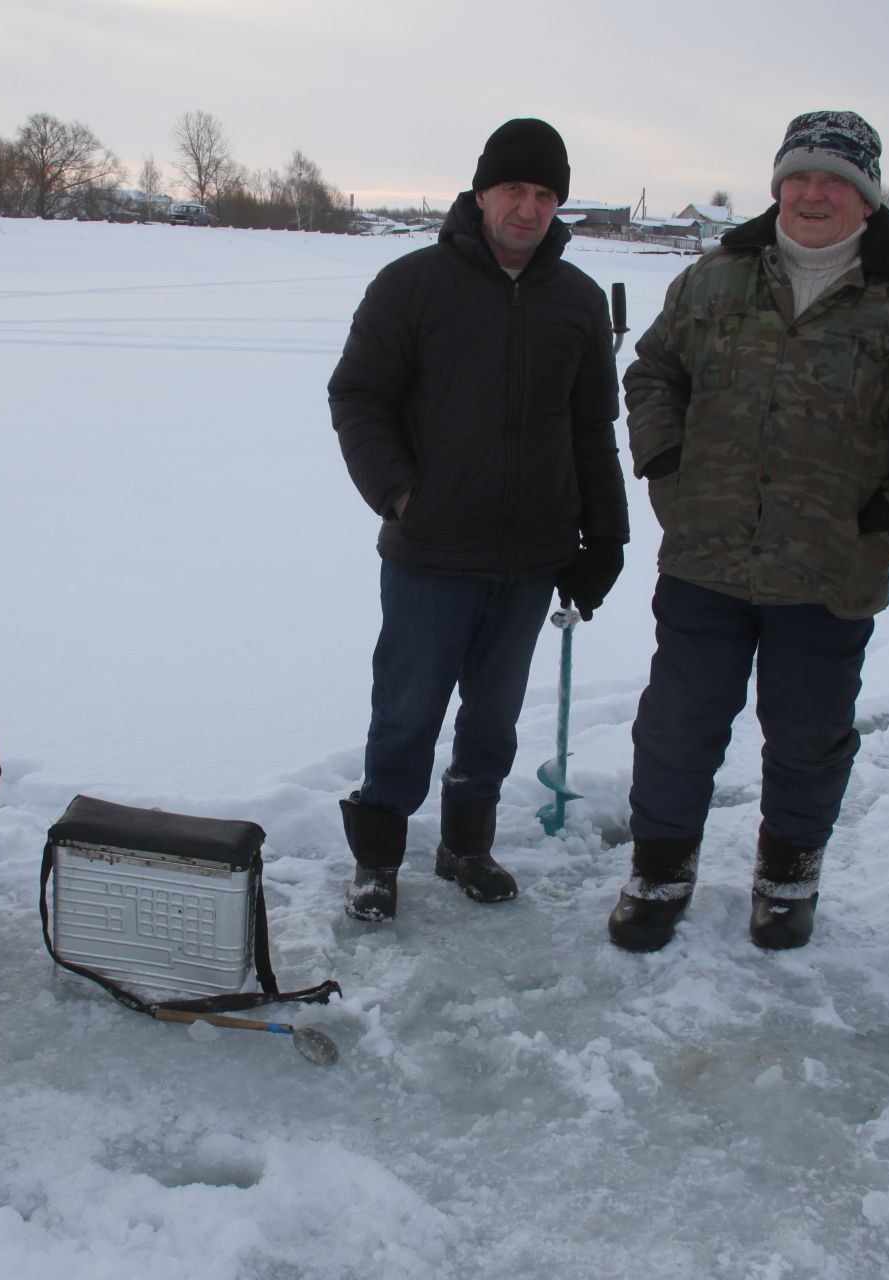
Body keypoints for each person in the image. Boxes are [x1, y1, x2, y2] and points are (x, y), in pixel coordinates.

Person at [610, 110, 889, 953]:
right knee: (677, 725)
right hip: (707, 553)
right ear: (778, 187)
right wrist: (664, 455)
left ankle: (787, 881)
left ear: (868, 200)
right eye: (800, 177)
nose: (814, 193)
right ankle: (658, 873)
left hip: (832, 567)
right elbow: (654, 368)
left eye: (835, 180)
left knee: (809, 735)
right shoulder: (716, 278)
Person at [328, 118, 629, 922]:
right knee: (407, 712)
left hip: (531, 558)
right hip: (431, 551)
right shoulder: (412, 285)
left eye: (543, 194)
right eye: (513, 190)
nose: (527, 208)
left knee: (493, 719)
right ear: (481, 192)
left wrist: (606, 535)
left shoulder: (577, 301)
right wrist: (400, 493)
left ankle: (465, 846)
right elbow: (356, 396)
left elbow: (592, 428)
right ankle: (379, 860)